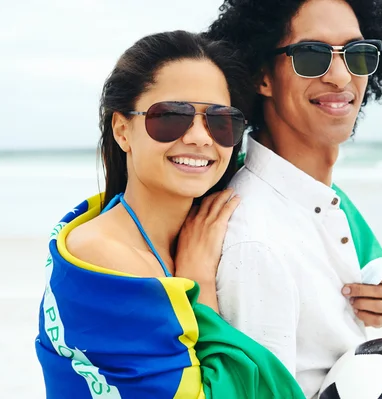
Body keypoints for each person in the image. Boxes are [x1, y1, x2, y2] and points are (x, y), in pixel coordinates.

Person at [34, 30, 304, 399]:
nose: (199, 137)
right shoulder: (104, 256)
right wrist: (199, 284)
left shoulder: (196, 227)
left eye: (220, 121)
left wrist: (373, 264)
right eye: (171, 116)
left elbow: (300, 178)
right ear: (122, 130)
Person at [206, 0, 382, 397]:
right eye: (311, 55)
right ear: (262, 75)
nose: (340, 76)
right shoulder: (256, 241)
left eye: (357, 54)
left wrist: (379, 284)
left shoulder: (318, 197)